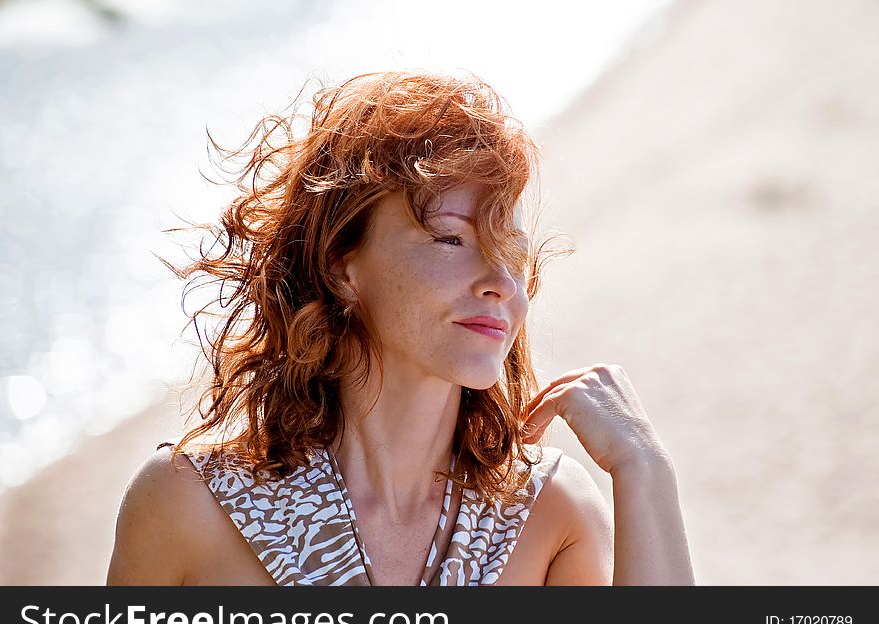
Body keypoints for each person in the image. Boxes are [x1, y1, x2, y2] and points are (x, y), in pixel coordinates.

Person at [106, 69, 695, 586]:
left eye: (509, 251)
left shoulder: (549, 514)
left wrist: (644, 469)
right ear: (341, 264)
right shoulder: (187, 502)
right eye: (451, 238)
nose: (500, 283)